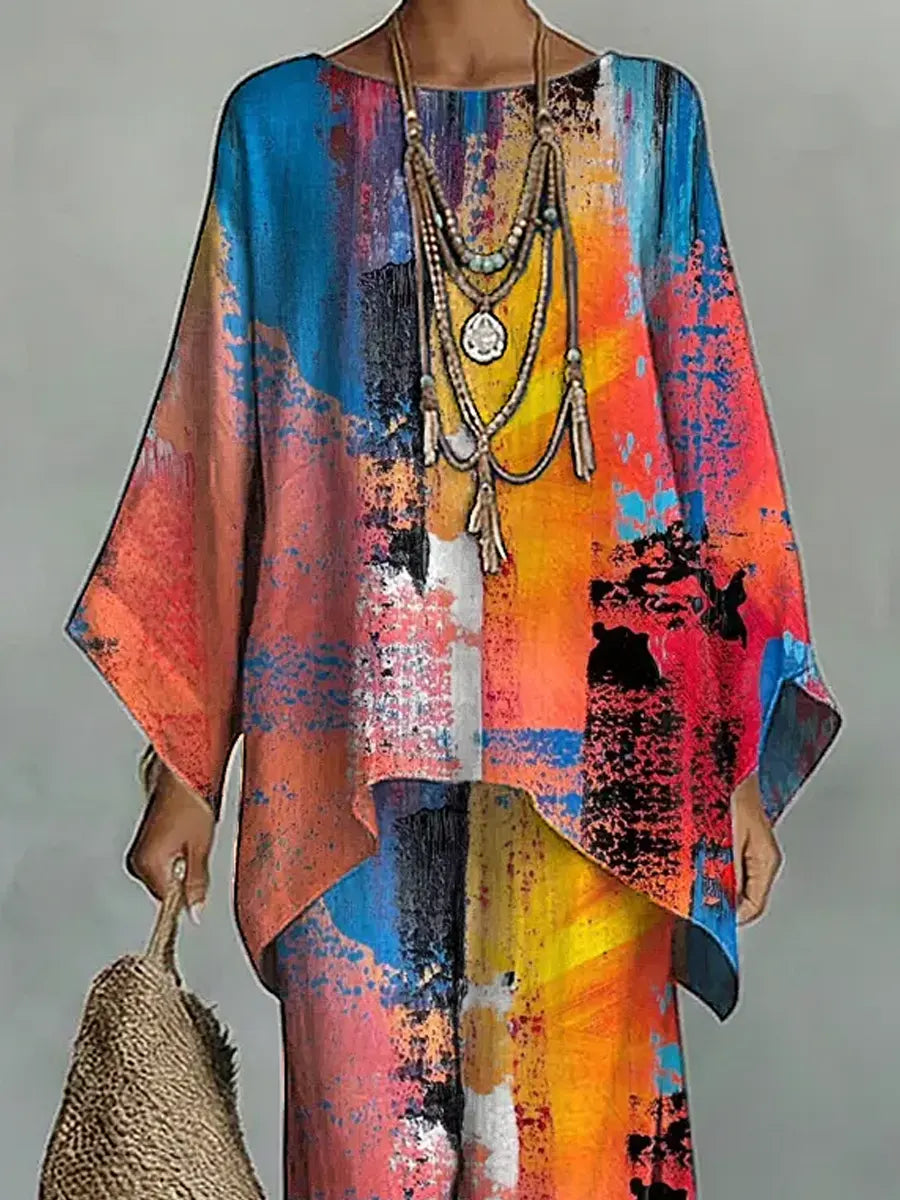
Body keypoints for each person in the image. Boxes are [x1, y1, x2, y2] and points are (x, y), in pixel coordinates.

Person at [65, 1, 842, 1195]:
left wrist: (737, 752)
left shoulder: (647, 122)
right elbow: (218, 441)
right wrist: (186, 767)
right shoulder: (280, 130)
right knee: (362, 1167)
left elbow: (711, 434)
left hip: (605, 776)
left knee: (587, 1164)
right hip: (344, 777)